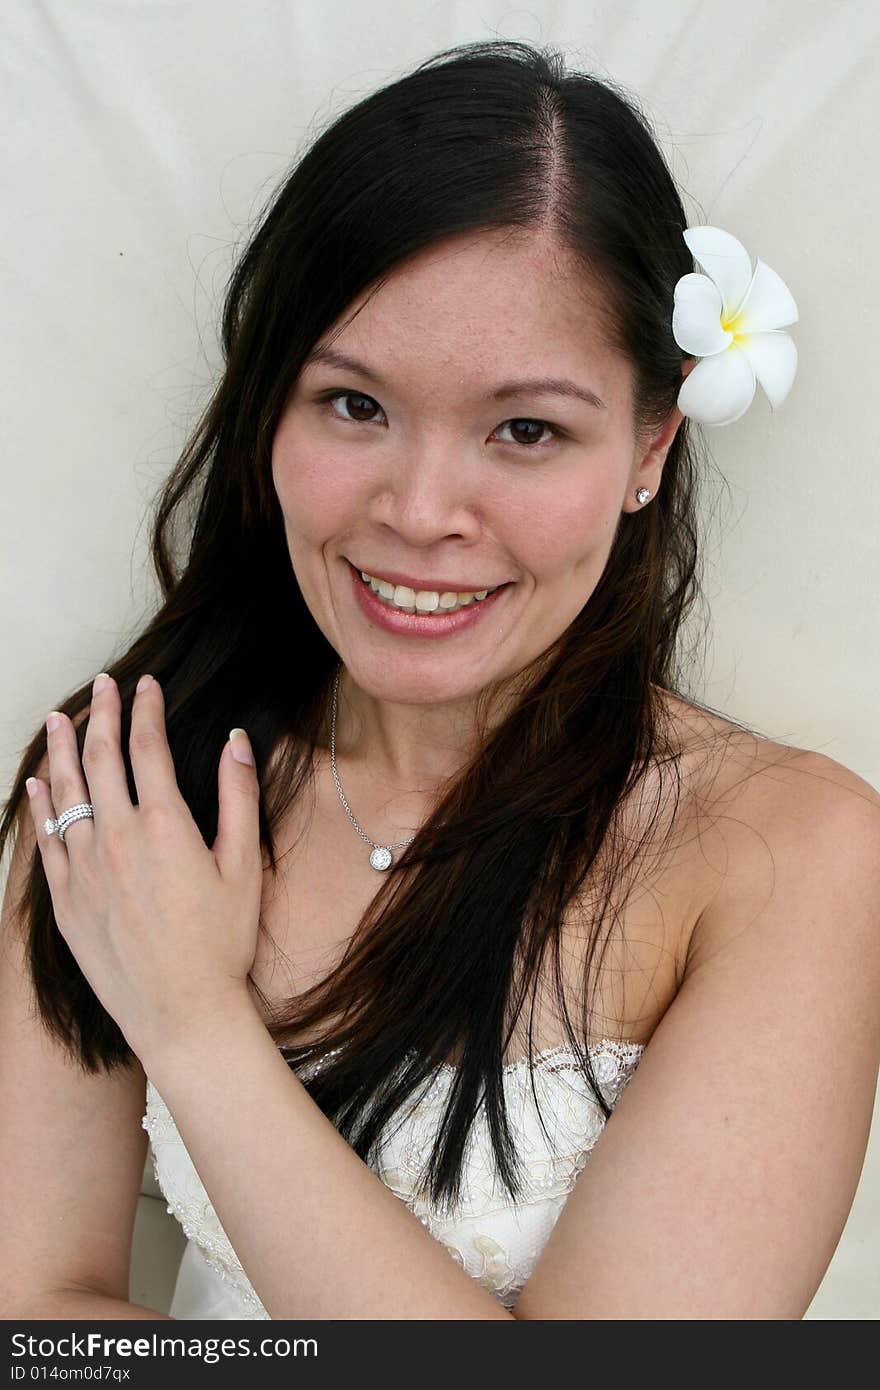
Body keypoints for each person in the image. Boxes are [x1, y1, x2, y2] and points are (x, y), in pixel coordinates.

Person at [1, 38, 878, 1323]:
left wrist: (195, 1025)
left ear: (649, 445)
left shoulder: (788, 852)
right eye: (353, 406)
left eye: (525, 431)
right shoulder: (124, 790)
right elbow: (40, 1321)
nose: (418, 513)